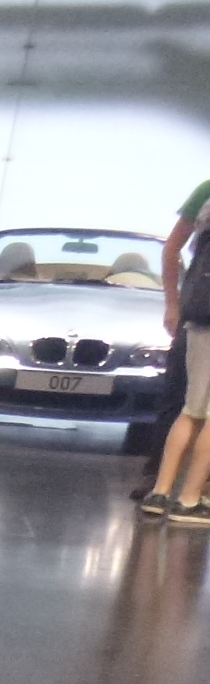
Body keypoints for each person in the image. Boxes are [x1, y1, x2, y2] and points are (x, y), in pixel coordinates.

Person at [139, 177, 210, 524]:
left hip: (199, 315)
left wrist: (177, 304)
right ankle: (190, 499)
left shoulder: (208, 200)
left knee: (191, 409)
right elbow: (172, 249)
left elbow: (177, 250)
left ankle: (160, 491)